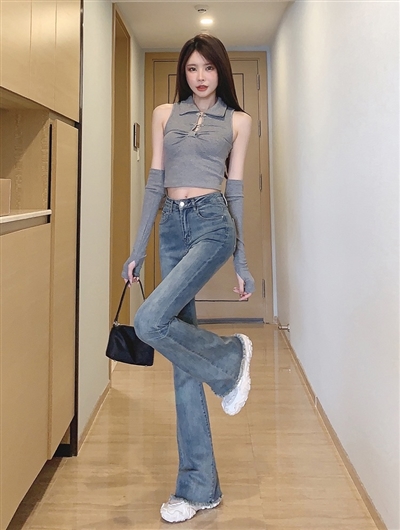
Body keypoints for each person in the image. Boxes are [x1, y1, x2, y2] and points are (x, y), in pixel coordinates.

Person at [122, 33, 255, 524]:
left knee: (149, 321)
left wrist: (242, 261)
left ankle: (230, 358)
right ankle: (199, 488)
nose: (200, 76)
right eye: (193, 68)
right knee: (182, 365)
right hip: (171, 229)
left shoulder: (238, 121)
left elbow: (235, 191)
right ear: (184, 72)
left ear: (221, 72)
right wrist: (137, 249)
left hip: (212, 223)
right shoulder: (164, 113)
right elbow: (154, 183)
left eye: (209, 68)